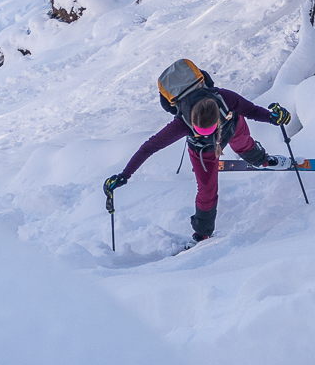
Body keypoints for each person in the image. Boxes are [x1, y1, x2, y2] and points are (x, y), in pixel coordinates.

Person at [104, 59, 293, 242]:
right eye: (199, 132)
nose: (206, 134)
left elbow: (250, 110)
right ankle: (202, 233)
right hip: (204, 153)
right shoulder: (181, 124)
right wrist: (124, 175)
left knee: (244, 143)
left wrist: (273, 118)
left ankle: (261, 160)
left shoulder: (225, 98)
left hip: (231, 126)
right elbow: (149, 147)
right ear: (191, 124)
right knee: (207, 191)